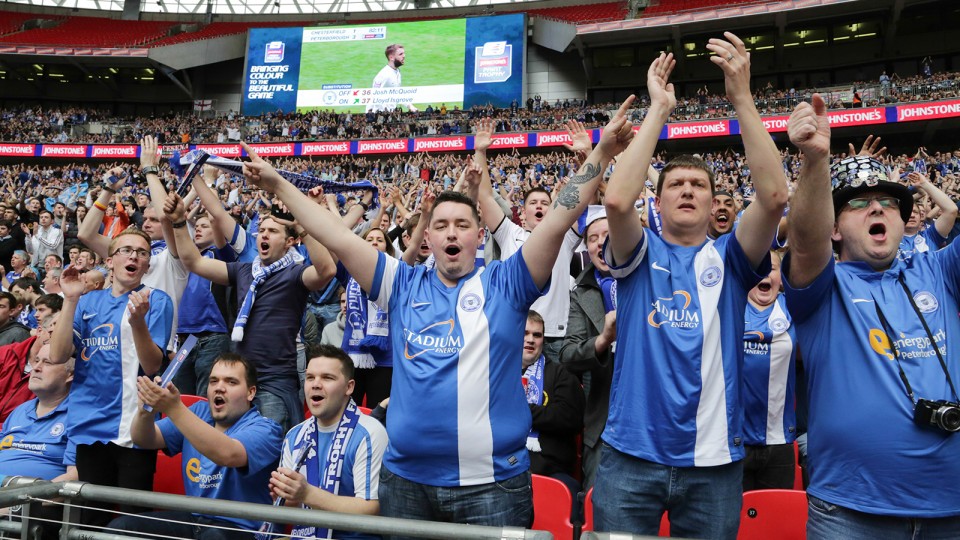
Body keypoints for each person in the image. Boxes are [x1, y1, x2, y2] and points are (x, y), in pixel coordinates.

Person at [244, 89, 635, 531]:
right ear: (426, 238)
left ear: (479, 235)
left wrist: (602, 152)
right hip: (406, 483)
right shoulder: (400, 283)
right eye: (441, 225)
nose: (451, 232)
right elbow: (335, 236)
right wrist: (278, 184)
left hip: (492, 486)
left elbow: (562, 214)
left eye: (463, 224)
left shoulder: (507, 282)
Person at [595, 35, 788, 539]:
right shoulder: (639, 252)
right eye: (675, 185)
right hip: (631, 455)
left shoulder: (731, 257)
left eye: (698, 185)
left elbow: (773, 197)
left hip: (714, 461)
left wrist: (741, 98)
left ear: (713, 202)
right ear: (657, 203)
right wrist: (659, 109)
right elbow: (616, 201)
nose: (686, 190)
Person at [784, 93, 960, 539]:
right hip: (850, 512)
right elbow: (804, 239)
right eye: (858, 203)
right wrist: (815, 161)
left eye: (888, 201)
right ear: (834, 228)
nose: (877, 207)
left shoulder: (940, 270)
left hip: (952, 508)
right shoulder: (822, 287)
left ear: (903, 221)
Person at [163, 190, 336, 432]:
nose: (264, 234)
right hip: (239, 382)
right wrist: (179, 222)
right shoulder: (244, 271)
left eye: (273, 231)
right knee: (233, 446)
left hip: (274, 382)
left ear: (289, 242)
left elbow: (327, 270)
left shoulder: (295, 273)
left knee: (270, 449)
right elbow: (194, 262)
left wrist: (302, 227)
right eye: (261, 230)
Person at [48, 228, 174, 527]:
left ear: (147, 264)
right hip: (89, 424)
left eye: (142, 253)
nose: (134, 256)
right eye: (126, 250)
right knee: (90, 521)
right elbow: (58, 355)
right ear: (109, 261)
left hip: (134, 427)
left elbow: (152, 365)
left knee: (133, 523)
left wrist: (138, 321)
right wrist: (70, 299)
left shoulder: (156, 300)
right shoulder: (87, 302)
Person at [108, 354, 282, 540]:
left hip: (243, 529)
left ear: (250, 392)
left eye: (231, 382)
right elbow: (144, 439)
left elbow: (228, 454)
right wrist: (145, 413)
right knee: (121, 528)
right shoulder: (199, 411)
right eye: (213, 381)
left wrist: (174, 409)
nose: (219, 387)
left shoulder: (267, 429)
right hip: (195, 521)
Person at [471, 117, 586, 361]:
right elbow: (485, 197)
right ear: (523, 212)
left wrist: (587, 160)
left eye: (545, 203)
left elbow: (583, 200)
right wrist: (480, 151)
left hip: (555, 337)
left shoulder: (564, 236)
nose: (539, 206)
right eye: (533, 203)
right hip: (513, 332)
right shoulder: (510, 233)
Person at [269, 344, 387, 540]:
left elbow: (371, 508)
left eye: (327, 378)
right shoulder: (294, 435)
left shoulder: (370, 433)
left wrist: (307, 494)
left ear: (349, 387)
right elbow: (292, 508)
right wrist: (285, 496)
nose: (315, 384)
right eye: (310, 377)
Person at [559, 209, 616, 489]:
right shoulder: (580, 293)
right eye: (592, 238)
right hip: (604, 424)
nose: (599, 243)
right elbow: (568, 355)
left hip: (655, 420)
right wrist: (602, 340)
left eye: (607, 235)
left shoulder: (650, 280)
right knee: (597, 504)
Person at [741, 250, 797, 491]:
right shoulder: (729, 303)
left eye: (771, 268)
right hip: (732, 440)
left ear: (781, 278)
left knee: (775, 512)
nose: (764, 272)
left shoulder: (794, 309)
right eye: (758, 266)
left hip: (779, 440)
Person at [522, 311, 584, 499]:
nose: (531, 340)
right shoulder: (497, 372)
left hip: (550, 471)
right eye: (525, 333)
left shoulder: (561, 374)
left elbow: (569, 418)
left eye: (537, 335)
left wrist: (519, 410)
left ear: (543, 340)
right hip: (504, 467)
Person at [0, 315, 58, 424]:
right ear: (39, 331)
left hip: (17, 430)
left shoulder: (58, 372)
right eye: (52, 333)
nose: (58, 340)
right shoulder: (5, 353)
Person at [898, 171, 958, 260]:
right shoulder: (888, 238)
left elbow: (951, 210)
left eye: (915, 212)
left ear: (921, 217)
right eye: (907, 212)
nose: (912, 215)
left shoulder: (931, 236)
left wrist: (924, 183)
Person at [367, 44, 416, 113]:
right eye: (400, 54)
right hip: (380, 114)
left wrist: (410, 106)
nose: (404, 56)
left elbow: (398, 93)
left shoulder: (397, 72)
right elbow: (374, 96)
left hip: (390, 112)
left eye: (403, 53)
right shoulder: (383, 75)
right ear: (391, 57)